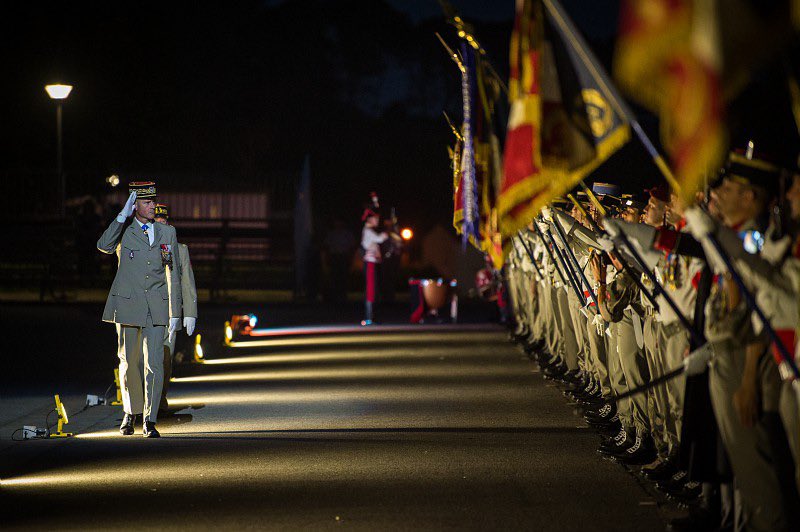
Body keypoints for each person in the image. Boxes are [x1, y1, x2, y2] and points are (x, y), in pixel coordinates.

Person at [97, 181, 181, 438]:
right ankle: (130, 412)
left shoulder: (167, 233)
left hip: (156, 307)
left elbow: (173, 273)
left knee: (154, 363)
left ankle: (150, 418)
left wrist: (176, 311)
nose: (152, 206)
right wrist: (121, 216)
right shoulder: (124, 231)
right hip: (128, 304)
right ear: (135, 206)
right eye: (146, 202)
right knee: (129, 362)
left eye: (153, 201)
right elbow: (104, 245)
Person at [153, 203, 197, 413]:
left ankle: (159, 400)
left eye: (164, 223)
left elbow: (187, 282)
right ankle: (141, 403)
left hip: (170, 313)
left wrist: (189, 312)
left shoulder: (179, 250)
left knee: (165, 360)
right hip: (147, 312)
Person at [361, 208, 387, 325]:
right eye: (375, 219)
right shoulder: (368, 231)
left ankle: (372, 316)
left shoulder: (370, 230)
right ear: (370, 219)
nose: (377, 221)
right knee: (371, 289)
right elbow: (380, 239)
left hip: (373, 262)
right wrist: (386, 233)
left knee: (374, 289)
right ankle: (369, 317)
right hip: (370, 262)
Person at [323, 218, 355, 304]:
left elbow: (351, 247)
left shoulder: (347, 234)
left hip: (343, 256)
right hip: (335, 257)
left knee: (343, 276)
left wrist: (350, 258)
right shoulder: (331, 234)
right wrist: (327, 258)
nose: (337, 224)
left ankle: (343, 295)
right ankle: (335, 295)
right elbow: (327, 247)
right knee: (335, 276)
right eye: (336, 222)